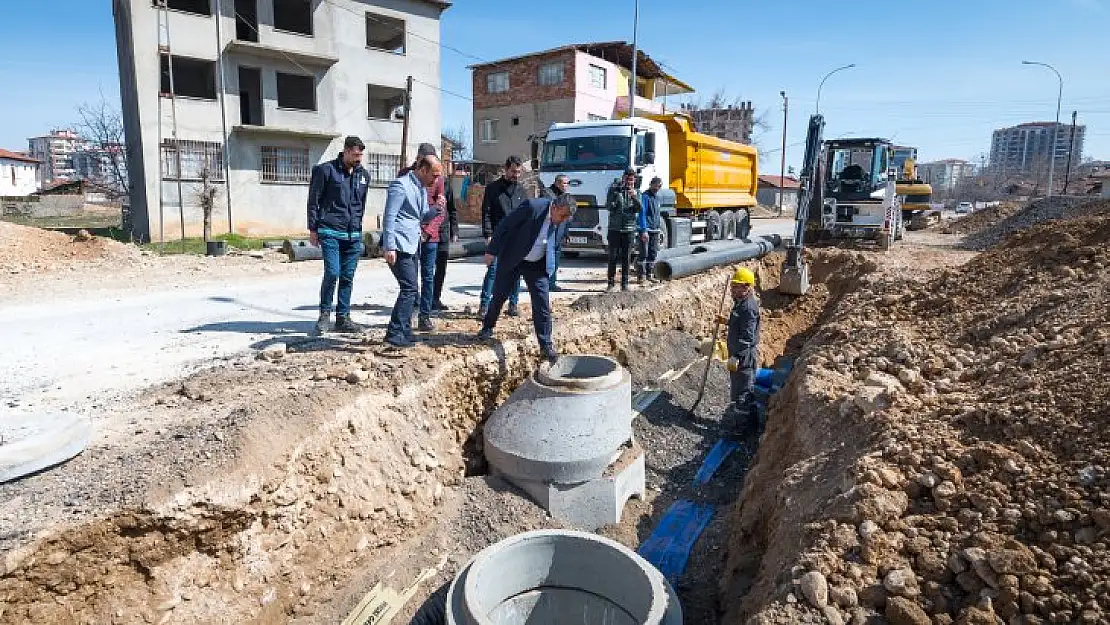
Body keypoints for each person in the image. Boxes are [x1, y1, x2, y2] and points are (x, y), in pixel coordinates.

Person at [476, 193, 576, 364]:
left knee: (542, 303)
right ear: (554, 207)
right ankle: (487, 327)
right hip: (514, 257)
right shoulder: (532, 207)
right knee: (499, 295)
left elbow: (556, 243)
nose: (564, 220)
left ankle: (546, 346)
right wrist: (492, 251)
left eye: (567, 217)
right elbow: (505, 225)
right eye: (563, 215)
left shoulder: (562, 220)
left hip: (537, 264)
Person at [308, 135, 369, 335]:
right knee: (332, 273)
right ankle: (324, 315)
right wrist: (313, 228)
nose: (358, 159)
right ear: (345, 151)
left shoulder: (363, 176)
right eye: (355, 155)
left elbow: (361, 204)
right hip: (330, 230)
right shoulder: (326, 171)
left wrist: (359, 228)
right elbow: (314, 200)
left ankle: (343, 317)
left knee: (347, 276)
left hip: (353, 235)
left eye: (360, 155)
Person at [381, 155, 443, 349]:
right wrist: (389, 246)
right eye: (433, 176)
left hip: (412, 243)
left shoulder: (421, 189)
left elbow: (422, 216)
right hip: (398, 245)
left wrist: (437, 210)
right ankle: (394, 332)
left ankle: (405, 330)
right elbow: (389, 217)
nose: (436, 181)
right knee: (409, 289)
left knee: (411, 289)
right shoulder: (400, 186)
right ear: (422, 170)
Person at [398, 143, 447, 332]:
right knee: (410, 279)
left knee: (428, 276)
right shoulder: (404, 175)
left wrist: (428, 231)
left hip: (430, 236)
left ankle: (425, 315)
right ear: (419, 160)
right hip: (410, 234)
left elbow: (440, 209)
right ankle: (407, 316)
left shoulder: (438, 179)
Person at [479, 156, 527, 318]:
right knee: (493, 271)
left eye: (519, 172)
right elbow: (486, 213)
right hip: (497, 237)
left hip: (517, 237)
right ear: (506, 169)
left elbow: (526, 214)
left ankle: (513, 304)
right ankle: (484, 305)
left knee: (515, 271)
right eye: (513, 171)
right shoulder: (493, 189)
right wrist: (488, 234)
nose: (516, 175)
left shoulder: (521, 190)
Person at [721, 267, 762, 430]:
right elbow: (739, 325)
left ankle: (743, 430)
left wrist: (736, 356)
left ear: (746, 287)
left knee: (743, 393)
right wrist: (726, 321)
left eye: (736, 286)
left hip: (744, 358)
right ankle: (747, 424)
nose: (732, 289)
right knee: (739, 391)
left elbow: (748, 336)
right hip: (739, 355)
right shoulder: (740, 303)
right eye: (732, 286)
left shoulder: (748, 308)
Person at [606, 168, 641, 292]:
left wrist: (634, 197)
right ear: (623, 178)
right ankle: (610, 284)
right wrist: (615, 194)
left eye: (632, 180)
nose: (629, 182)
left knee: (626, 258)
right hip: (614, 228)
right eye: (627, 179)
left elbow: (639, 209)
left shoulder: (637, 192)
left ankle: (624, 284)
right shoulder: (614, 190)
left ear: (634, 180)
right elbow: (608, 206)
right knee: (612, 257)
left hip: (629, 229)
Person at [432, 166, 459, 313]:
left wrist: (454, 229)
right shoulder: (425, 184)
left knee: (441, 268)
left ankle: (436, 298)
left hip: (443, 232)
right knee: (428, 268)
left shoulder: (447, 185)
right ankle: (425, 298)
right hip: (428, 232)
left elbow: (452, 209)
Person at [541, 174, 571, 291]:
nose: (566, 186)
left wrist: (567, 233)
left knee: (556, 259)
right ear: (557, 183)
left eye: (567, 183)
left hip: (560, 231)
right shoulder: (547, 193)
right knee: (547, 259)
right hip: (548, 231)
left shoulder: (565, 196)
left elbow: (568, 216)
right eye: (564, 183)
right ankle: (544, 283)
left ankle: (552, 283)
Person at [637, 176, 664, 284]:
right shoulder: (645, 196)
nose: (657, 188)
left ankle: (649, 274)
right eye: (656, 185)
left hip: (655, 230)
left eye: (659, 186)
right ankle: (641, 276)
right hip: (646, 230)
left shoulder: (657, 198)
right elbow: (642, 213)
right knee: (644, 253)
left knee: (653, 253)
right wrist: (644, 230)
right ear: (651, 184)